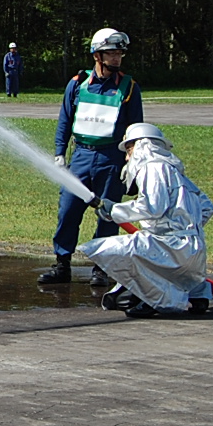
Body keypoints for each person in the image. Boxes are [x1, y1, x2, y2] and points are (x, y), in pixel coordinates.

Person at [39, 27, 144, 286]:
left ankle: (101, 268)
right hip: (82, 156)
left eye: (119, 53)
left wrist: (133, 160)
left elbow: (135, 128)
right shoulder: (77, 84)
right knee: (68, 212)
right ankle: (62, 265)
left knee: (108, 215)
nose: (117, 58)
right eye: (111, 53)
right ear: (97, 55)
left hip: (111, 159)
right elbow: (65, 120)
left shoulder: (129, 87)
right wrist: (59, 153)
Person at [81, 123, 213, 318]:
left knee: (108, 249)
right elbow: (207, 208)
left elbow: (152, 207)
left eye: (129, 150)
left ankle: (158, 300)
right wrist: (182, 226)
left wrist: (115, 210)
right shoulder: (174, 171)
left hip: (172, 249)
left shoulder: (152, 167)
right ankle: (197, 296)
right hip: (194, 251)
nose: (127, 157)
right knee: (121, 296)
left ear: (144, 145)